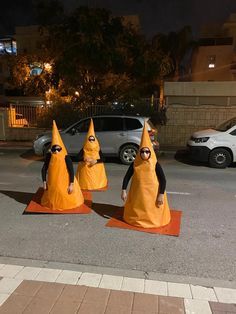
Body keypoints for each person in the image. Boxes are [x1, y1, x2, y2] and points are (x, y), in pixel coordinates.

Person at [121, 122, 171, 228]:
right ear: (139, 152)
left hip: (152, 195)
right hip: (138, 195)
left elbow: (163, 180)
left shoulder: (155, 164)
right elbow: (127, 177)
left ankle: (152, 219)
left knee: (151, 209)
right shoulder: (135, 163)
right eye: (142, 152)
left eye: (147, 152)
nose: (144, 154)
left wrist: (161, 194)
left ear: (150, 152)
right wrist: (124, 190)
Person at [41, 120, 84, 211]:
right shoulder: (49, 156)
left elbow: (71, 170)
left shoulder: (66, 157)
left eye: (58, 149)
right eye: (54, 149)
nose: (56, 151)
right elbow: (44, 169)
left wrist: (71, 184)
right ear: (51, 149)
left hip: (65, 181)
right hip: (53, 182)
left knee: (64, 196)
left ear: (61, 148)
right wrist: (44, 182)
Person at [76, 119, 108, 190]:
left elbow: (103, 158)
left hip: (96, 177)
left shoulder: (98, 149)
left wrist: (96, 161)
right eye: (89, 139)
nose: (91, 141)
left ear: (95, 140)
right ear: (87, 140)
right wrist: (84, 159)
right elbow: (77, 157)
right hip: (85, 178)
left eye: (92, 139)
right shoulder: (84, 149)